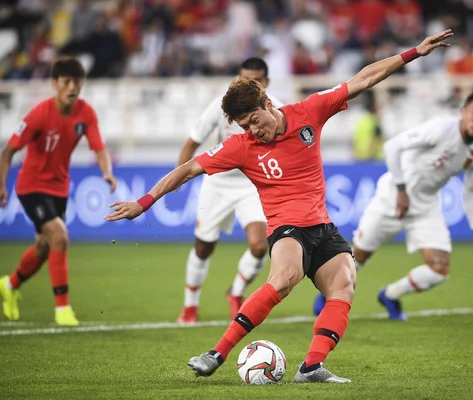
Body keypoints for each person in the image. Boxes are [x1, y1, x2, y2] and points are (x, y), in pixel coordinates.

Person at [105, 29, 454, 383]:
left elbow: (363, 78)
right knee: (284, 278)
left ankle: (311, 367)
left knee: (345, 284)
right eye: (245, 126)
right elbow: (189, 168)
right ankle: (216, 353)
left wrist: (414, 53)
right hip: (287, 228)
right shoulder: (241, 146)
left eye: (255, 120)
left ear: (269, 104)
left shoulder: (309, 111)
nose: (253, 131)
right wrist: (144, 202)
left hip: (322, 225)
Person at [314, 91, 473, 320]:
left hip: (425, 206)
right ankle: (328, 294)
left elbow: (470, 192)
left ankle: (390, 295)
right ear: (463, 112)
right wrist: (401, 190)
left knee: (439, 268)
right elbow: (392, 147)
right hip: (392, 196)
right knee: (358, 255)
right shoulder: (440, 129)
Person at [0, 56, 117, 326]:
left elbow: (99, 147)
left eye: (77, 81)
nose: (73, 87)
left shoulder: (86, 113)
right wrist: (2, 186)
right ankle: (63, 308)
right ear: (55, 84)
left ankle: (10, 285)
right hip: (31, 186)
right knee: (60, 236)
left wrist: (106, 172)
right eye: (66, 81)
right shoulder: (39, 114)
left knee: (45, 245)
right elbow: (8, 151)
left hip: (59, 187)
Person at [176, 57, 283, 324]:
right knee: (203, 247)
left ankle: (235, 292)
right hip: (218, 183)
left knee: (260, 246)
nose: (248, 84)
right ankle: (190, 305)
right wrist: (178, 180)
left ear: (266, 83)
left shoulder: (278, 109)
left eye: (255, 80)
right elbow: (192, 142)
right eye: (244, 78)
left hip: (252, 183)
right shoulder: (223, 105)